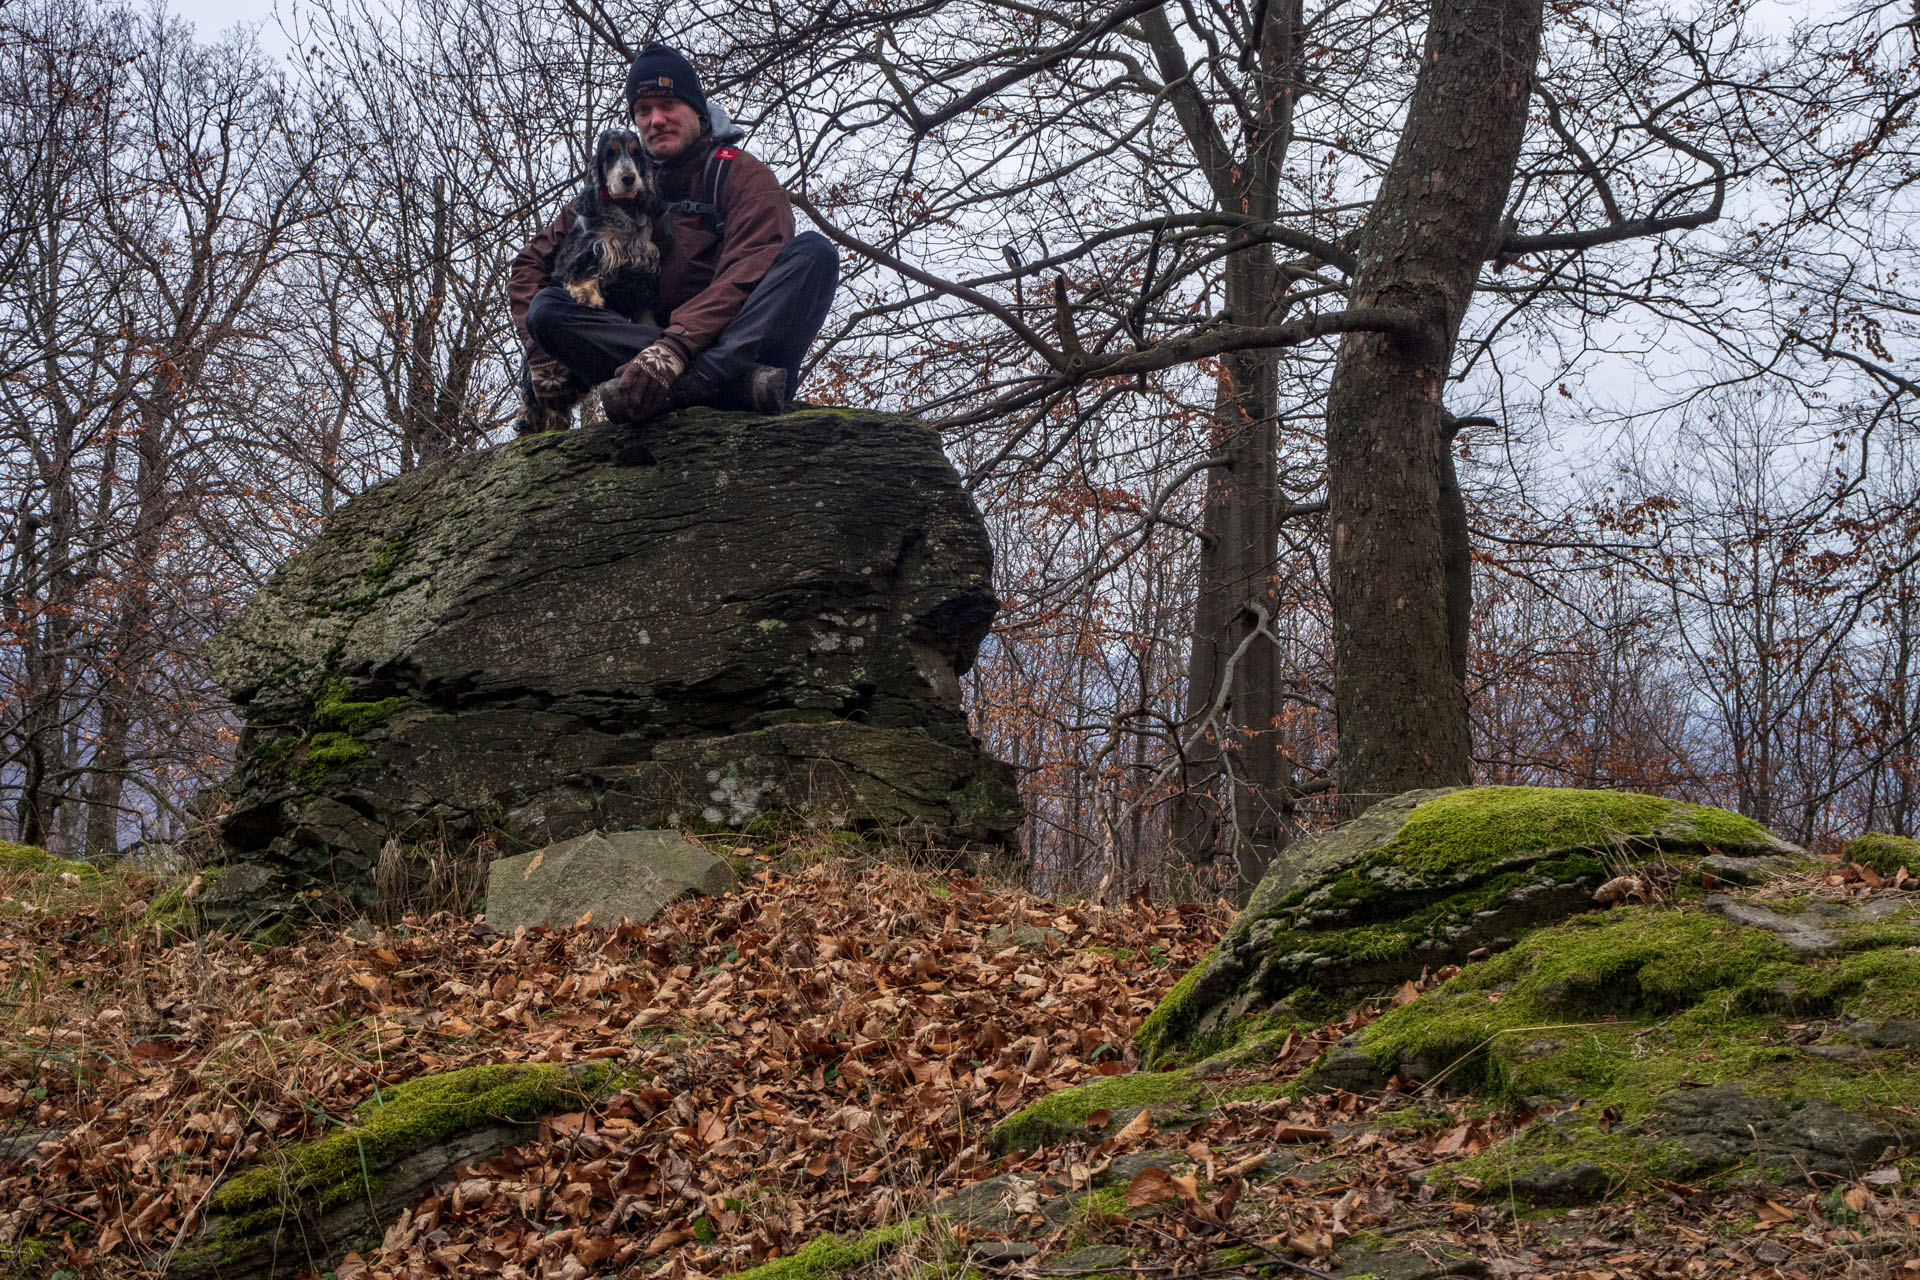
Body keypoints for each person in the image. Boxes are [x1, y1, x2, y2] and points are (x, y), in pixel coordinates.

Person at [508, 43, 839, 427]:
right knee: (547, 308)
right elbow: (531, 263)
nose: (656, 120)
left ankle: (697, 383)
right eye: (643, 111)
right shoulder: (619, 186)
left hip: (737, 343)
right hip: (647, 358)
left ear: (697, 110)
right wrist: (538, 350)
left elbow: (750, 267)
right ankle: (733, 388)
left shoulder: (741, 174)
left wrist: (677, 347)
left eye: (669, 105)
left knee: (814, 254)